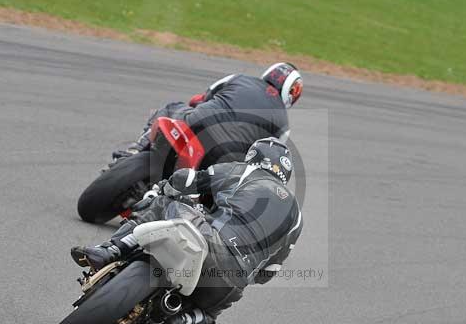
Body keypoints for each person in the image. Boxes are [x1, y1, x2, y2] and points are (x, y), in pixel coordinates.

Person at [71, 137, 303, 324]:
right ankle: (181, 321)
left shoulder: (245, 172)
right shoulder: (297, 217)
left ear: (253, 157)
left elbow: (188, 180)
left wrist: (166, 188)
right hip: (232, 280)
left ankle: (111, 250)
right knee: (211, 311)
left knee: (162, 202)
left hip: (209, 240)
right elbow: (267, 274)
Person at [76, 63, 303, 224]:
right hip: (224, 157)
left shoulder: (238, 79)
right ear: (291, 95)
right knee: (228, 190)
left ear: (269, 73)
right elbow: (265, 157)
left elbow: (201, 99)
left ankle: (135, 150)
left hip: (195, 126)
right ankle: (194, 216)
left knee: (171, 107)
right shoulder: (284, 124)